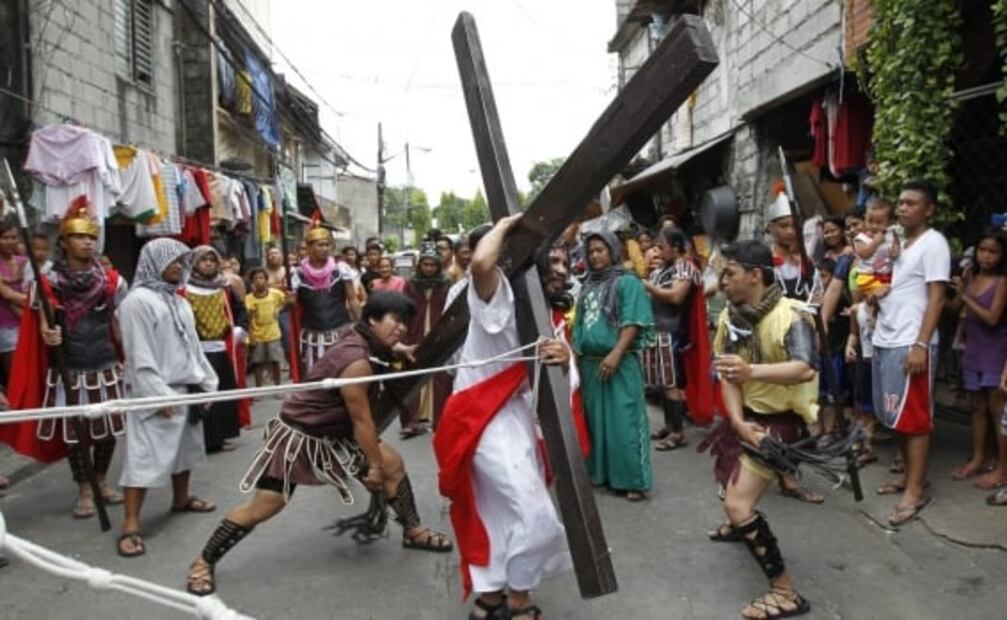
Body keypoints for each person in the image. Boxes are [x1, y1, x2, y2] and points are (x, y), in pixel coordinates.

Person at [185, 291, 452, 596]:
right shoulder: (357, 362)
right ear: (372, 320)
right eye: (396, 321)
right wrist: (372, 466)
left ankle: (413, 530)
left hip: (334, 432)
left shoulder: (363, 335)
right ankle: (203, 561)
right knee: (267, 504)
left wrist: (399, 347)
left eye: (406, 322)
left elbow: (372, 358)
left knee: (393, 464)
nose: (402, 328)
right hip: (300, 436)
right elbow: (362, 422)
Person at [434, 214, 576, 620]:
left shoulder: (549, 314)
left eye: (567, 265)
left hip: (515, 418)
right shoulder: (500, 295)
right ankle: (516, 598)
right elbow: (481, 265)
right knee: (535, 514)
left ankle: (492, 597)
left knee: (498, 510)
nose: (562, 273)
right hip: (480, 420)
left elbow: (565, 381)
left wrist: (564, 359)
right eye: (555, 264)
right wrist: (507, 225)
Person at [704, 239, 819, 619]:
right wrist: (737, 421)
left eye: (729, 273)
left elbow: (804, 368)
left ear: (755, 276)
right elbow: (727, 373)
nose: (722, 282)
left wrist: (751, 372)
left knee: (737, 504)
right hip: (746, 415)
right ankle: (742, 528)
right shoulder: (730, 316)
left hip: (782, 421)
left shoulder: (794, 315)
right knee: (727, 481)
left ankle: (785, 592)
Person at [3, 203, 128, 518]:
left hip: (105, 359)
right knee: (76, 431)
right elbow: (44, 322)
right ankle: (84, 487)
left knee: (108, 428)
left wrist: (126, 355)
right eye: (79, 237)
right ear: (64, 242)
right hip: (69, 364)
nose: (87, 242)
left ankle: (100, 480)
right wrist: (49, 334)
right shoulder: (49, 283)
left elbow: (119, 322)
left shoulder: (111, 280)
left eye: (91, 237)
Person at [115, 238, 219, 558]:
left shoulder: (180, 301)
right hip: (156, 391)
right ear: (154, 262)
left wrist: (207, 382)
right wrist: (157, 395)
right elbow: (138, 355)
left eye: (182, 261)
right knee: (144, 457)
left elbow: (193, 348)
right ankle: (130, 525)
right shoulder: (137, 302)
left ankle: (181, 498)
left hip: (185, 387)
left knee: (185, 450)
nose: (179, 266)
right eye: (172, 260)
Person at [872, 180, 950, 527]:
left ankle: (915, 491)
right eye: (900, 203)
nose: (903, 208)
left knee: (915, 418)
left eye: (911, 203)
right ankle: (907, 477)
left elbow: (937, 296)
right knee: (895, 416)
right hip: (887, 338)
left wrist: (921, 343)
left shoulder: (934, 243)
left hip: (911, 342)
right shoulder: (900, 245)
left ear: (928, 209)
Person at [573, 230, 654, 502]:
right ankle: (602, 475)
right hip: (591, 364)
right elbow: (580, 324)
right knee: (596, 421)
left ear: (613, 251)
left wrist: (616, 354)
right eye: (592, 251)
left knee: (624, 420)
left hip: (618, 363)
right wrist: (577, 356)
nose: (595, 255)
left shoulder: (627, 282)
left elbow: (633, 320)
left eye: (601, 250)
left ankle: (633, 480)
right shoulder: (587, 285)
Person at [948, 231, 1007, 488]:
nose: (986, 256)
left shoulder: (1002, 281)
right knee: (977, 407)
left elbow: (992, 318)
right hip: (973, 350)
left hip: (997, 350)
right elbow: (954, 309)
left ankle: (1002, 468)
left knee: (997, 410)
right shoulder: (971, 275)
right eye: (982, 250)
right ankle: (979, 458)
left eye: (992, 251)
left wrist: (966, 296)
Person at [183, 246, 249, 453]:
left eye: (213, 260)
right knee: (204, 393)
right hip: (197, 350)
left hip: (222, 347)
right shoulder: (184, 289)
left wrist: (238, 331)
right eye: (204, 260)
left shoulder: (224, 287)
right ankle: (206, 438)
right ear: (194, 263)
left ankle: (223, 435)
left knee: (223, 391)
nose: (209, 263)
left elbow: (240, 311)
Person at [642, 228, 700, 451]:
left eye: (662, 245)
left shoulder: (684, 267)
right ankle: (669, 424)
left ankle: (677, 433)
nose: (658, 249)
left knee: (669, 384)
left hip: (671, 332)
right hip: (656, 330)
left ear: (675, 248)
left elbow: (676, 297)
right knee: (660, 383)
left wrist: (648, 286)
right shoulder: (662, 269)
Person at [292, 225, 361, 374]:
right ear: (309, 248)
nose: (325, 248)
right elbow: (290, 306)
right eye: (320, 245)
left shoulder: (341, 269)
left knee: (343, 373)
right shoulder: (297, 274)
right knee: (315, 375)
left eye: (327, 244)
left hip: (340, 331)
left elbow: (353, 299)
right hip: (312, 335)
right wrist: (289, 301)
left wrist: (361, 325)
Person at [401, 243, 450, 436]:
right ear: (420, 265)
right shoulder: (411, 284)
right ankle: (413, 418)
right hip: (415, 334)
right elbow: (404, 311)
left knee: (440, 377)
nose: (429, 268)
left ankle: (438, 418)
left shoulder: (446, 284)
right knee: (414, 375)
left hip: (438, 335)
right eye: (425, 264)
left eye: (432, 264)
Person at [245, 268, 292, 389]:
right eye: (256, 278)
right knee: (257, 362)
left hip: (273, 333)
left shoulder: (275, 293)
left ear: (266, 280)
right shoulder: (249, 299)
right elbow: (248, 319)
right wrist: (250, 335)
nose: (259, 281)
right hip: (257, 334)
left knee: (275, 360)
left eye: (261, 278)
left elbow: (287, 301)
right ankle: (259, 388)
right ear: (252, 282)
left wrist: (280, 309)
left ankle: (278, 387)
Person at [852, 197, 899, 302]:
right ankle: (872, 296)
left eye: (878, 222)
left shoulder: (891, 234)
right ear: (865, 218)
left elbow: (896, 247)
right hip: (868, 276)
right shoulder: (861, 238)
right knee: (878, 292)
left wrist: (895, 250)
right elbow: (864, 254)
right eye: (870, 221)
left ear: (889, 222)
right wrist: (875, 242)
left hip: (888, 274)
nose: (873, 226)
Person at [0, 221, 27, 381]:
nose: (11, 241)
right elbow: (8, 294)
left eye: (14, 237)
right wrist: (34, 303)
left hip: (26, 322)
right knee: (14, 373)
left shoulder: (23, 261)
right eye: (5, 238)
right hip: (6, 325)